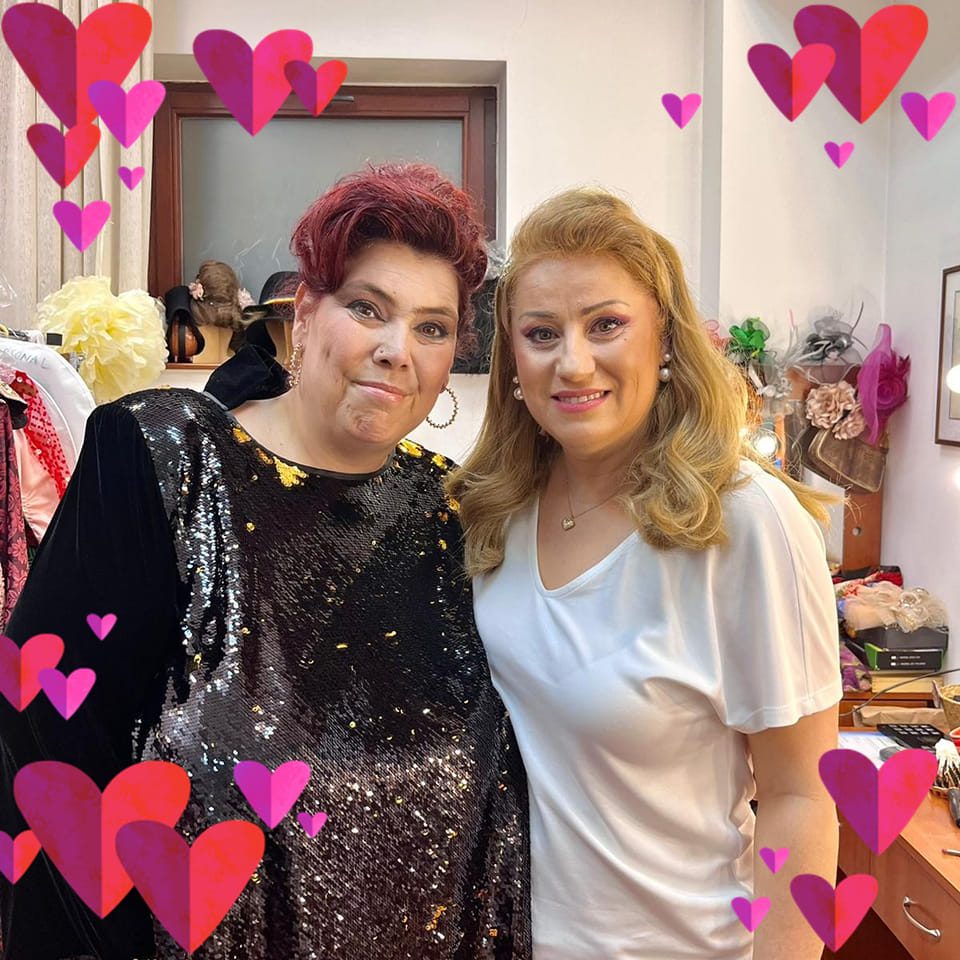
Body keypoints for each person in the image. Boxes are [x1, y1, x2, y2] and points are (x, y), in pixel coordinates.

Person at [0, 164, 530, 960]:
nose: (397, 351)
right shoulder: (162, 459)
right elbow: (47, 748)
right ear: (305, 313)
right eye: (367, 308)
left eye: (432, 327)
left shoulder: (451, 514)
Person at [447, 188, 841, 960]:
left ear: (663, 336)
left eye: (606, 324)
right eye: (541, 333)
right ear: (513, 359)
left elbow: (800, 797)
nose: (573, 363)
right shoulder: (496, 509)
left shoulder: (745, 522)